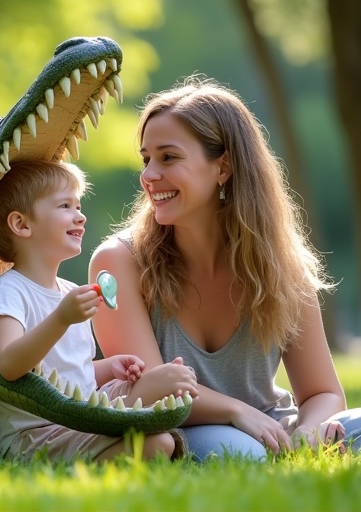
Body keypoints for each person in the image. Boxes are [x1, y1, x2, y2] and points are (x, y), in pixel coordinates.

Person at [89, 74, 361, 462]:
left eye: (169, 157)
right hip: (186, 429)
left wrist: (309, 430)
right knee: (243, 454)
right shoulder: (117, 262)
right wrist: (236, 411)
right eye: (146, 158)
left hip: (271, 426)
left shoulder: (283, 266)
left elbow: (323, 393)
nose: (149, 176)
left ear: (224, 167)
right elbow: (153, 389)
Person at [0, 159, 198, 463]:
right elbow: (9, 364)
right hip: (40, 432)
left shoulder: (70, 291)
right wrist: (61, 319)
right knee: (158, 443)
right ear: (22, 224)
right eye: (65, 206)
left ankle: (134, 420)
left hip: (79, 414)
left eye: (78, 206)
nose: (79, 217)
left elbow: (70, 373)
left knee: (164, 380)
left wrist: (109, 367)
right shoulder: (8, 290)